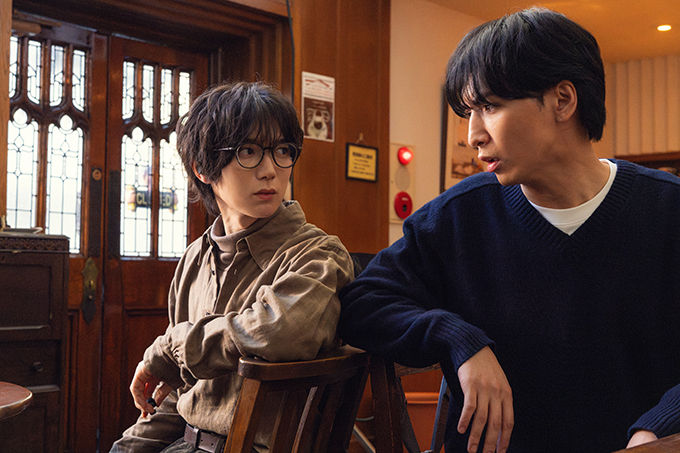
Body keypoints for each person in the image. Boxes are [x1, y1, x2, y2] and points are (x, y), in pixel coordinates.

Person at [338, 7, 680, 453]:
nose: (472, 134)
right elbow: (361, 303)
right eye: (468, 112)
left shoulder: (667, 211)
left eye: (489, 106)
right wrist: (459, 338)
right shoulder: (459, 216)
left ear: (562, 100)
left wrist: (659, 427)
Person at [110, 81, 354, 453]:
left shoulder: (318, 255)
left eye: (282, 151)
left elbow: (276, 332)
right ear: (203, 169)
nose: (270, 170)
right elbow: (182, 390)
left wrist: (172, 348)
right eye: (248, 152)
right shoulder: (195, 259)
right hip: (186, 443)